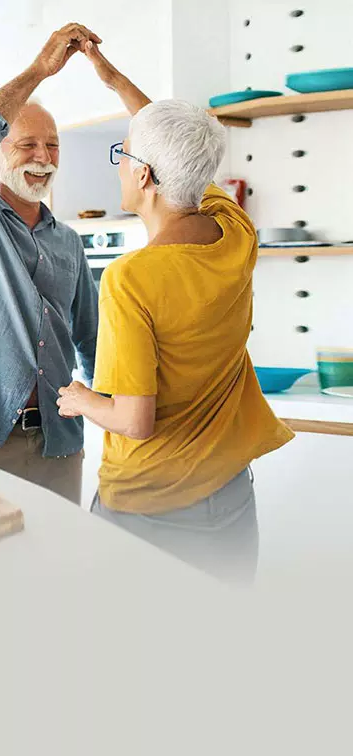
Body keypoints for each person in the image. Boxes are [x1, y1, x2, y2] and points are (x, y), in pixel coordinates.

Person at [57, 42, 295, 580]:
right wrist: (113, 77)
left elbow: (133, 421)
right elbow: (180, 154)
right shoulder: (235, 228)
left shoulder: (130, 278)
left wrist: (80, 397)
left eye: (122, 155)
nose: (119, 166)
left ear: (143, 176)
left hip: (149, 509)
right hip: (230, 495)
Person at [0, 24, 101, 505]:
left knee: (56, 574)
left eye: (52, 146)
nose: (43, 157)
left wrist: (120, 414)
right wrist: (40, 71)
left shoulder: (69, 242)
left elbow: (92, 341)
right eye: (26, 144)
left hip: (60, 441)